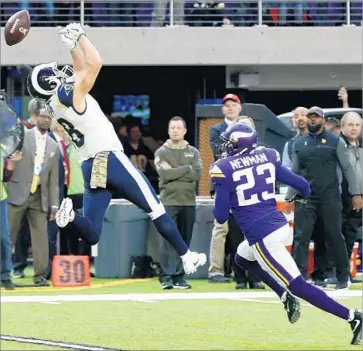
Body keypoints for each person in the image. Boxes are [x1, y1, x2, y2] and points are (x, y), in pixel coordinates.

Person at [26, 22, 206, 275]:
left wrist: (72, 47)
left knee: (92, 231)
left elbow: (79, 69)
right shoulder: (69, 94)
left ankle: (71, 216)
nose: (61, 72)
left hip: (90, 164)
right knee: (155, 207)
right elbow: (95, 63)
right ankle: (187, 256)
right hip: (108, 157)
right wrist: (81, 37)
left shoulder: (55, 104)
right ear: (52, 82)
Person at [210, 122, 362, 345]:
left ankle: (352, 317)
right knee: (241, 257)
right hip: (279, 226)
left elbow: (221, 216)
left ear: (239, 145)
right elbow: (301, 184)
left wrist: (224, 192)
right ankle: (284, 296)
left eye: (229, 143)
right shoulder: (267, 156)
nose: (225, 147)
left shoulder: (224, 168)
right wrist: (301, 197)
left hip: (262, 235)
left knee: (299, 286)